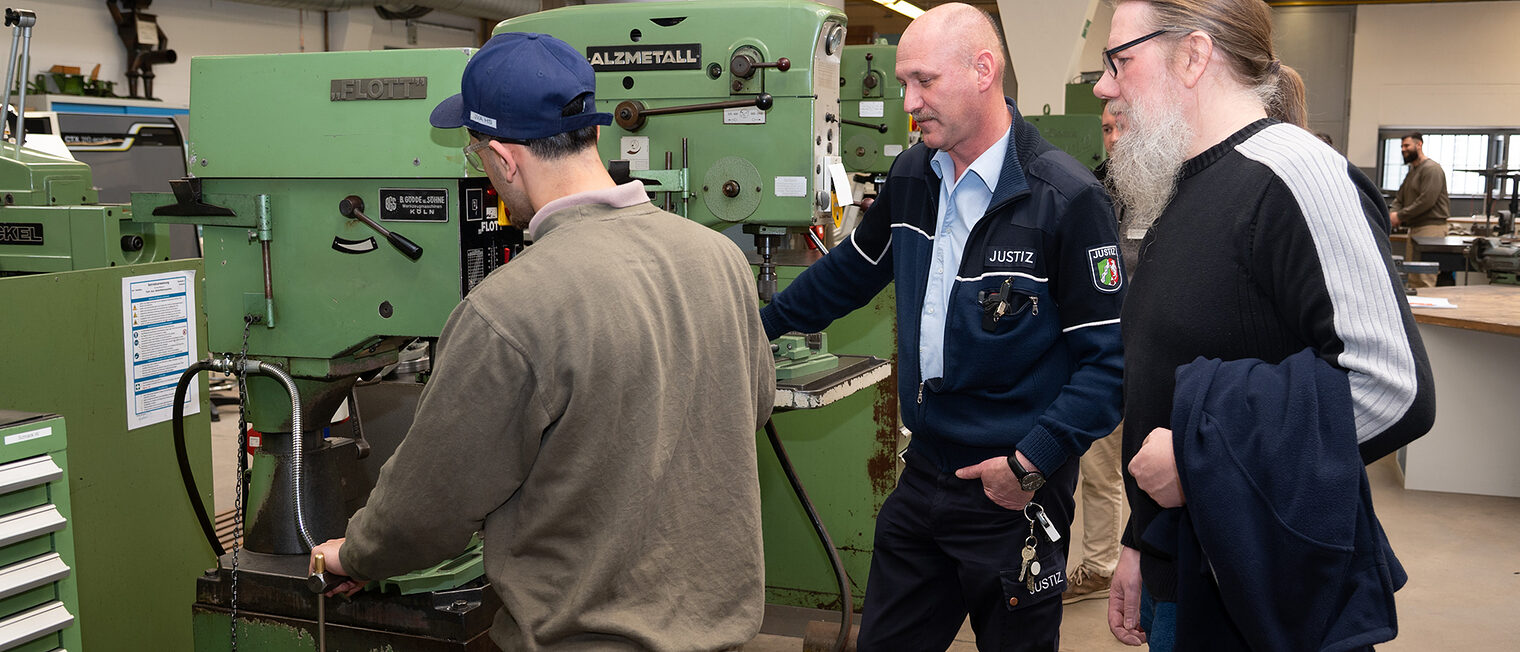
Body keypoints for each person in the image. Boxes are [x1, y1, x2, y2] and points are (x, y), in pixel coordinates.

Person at [307, 32, 776, 651]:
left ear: (503, 159)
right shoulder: (718, 257)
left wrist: (358, 555)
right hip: (722, 633)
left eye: (478, 157)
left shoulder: (510, 307)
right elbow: (756, 405)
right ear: (594, 135)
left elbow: (430, 509)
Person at [762, 4, 1125, 649]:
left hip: (1015, 492)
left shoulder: (1065, 201)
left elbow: (1109, 362)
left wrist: (1029, 462)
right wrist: (755, 329)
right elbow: (848, 273)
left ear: (983, 70)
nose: (910, 101)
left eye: (924, 81)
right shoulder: (912, 178)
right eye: (904, 83)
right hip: (924, 473)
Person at [1094, 1, 1435, 649]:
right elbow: (1166, 382)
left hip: (1269, 587)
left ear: (1193, 55)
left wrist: (1198, 458)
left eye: (1121, 61)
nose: (1105, 86)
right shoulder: (1181, 190)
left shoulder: (1296, 175)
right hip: (1188, 565)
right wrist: (1141, 544)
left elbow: (1390, 388)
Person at [1063, 102, 1130, 606]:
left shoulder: (1175, 189)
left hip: (1162, 364)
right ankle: (1103, 564)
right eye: (1106, 128)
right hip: (1107, 360)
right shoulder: (1096, 191)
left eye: (1120, 126)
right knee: (1100, 470)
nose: (1111, 136)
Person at [1390, 132, 1451, 288]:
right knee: (1413, 278)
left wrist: (1400, 215)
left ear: (1419, 145)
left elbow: (1426, 201)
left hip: (1430, 229)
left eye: (1407, 145)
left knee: (1424, 278)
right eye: (1402, 146)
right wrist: (1393, 214)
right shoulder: (1413, 171)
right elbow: (1400, 198)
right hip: (1415, 229)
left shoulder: (1431, 169)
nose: (1403, 149)